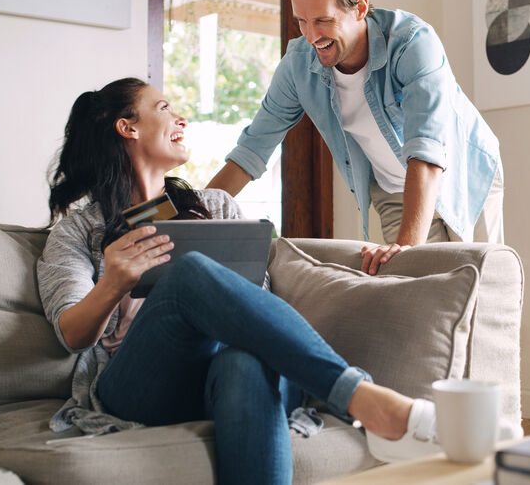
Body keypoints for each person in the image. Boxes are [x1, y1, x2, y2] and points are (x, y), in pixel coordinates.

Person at [37, 78, 440, 484]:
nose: (181, 118)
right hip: (143, 383)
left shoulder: (215, 206)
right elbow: (71, 334)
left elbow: (256, 307)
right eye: (163, 108)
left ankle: (357, 397)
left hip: (224, 373)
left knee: (244, 359)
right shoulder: (78, 231)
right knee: (190, 270)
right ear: (128, 128)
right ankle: (360, 398)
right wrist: (113, 283)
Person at [206, 0, 503, 275]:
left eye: (323, 20)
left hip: (462, 172)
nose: (311, 36)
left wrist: (406, 246)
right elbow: (251, 151)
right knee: (413, 293)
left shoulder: (412, 42)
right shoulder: (297, 66)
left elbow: (428, 148)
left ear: (360, 8)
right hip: (394, 190)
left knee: (480, 292)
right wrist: (193, 220)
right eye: (301, 21)